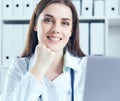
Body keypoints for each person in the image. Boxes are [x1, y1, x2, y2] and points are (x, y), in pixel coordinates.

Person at [0, 0, 87, 101]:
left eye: (65, 23)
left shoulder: (85, 68)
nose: (56, 29)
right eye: (48, 20)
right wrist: (38, 68)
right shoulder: (19, 67)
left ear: (71, 30)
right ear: (36, 25)